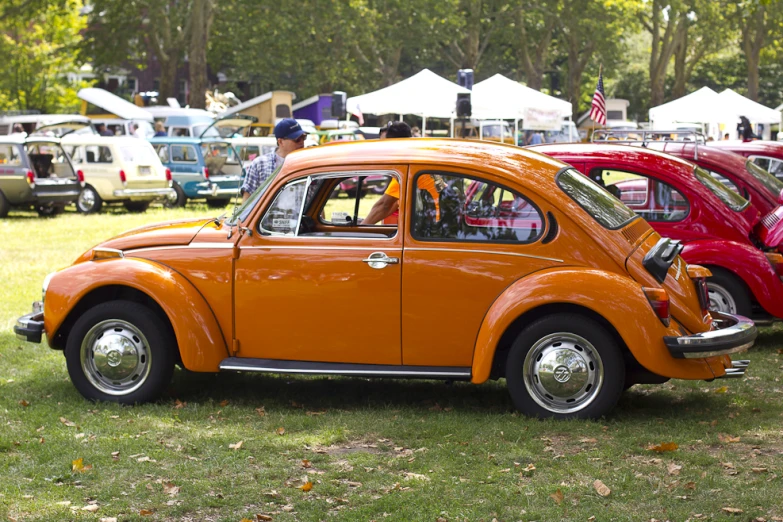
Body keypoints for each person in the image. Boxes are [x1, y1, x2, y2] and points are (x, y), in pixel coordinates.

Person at [241, 118, 307, 201]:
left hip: (299, 214)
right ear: (280, 142)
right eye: (297, 139)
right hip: (270, 214)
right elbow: (247, 199)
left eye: (303, 137)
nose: (301, 142)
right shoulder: (259, 164)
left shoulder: (307, 164)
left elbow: (316, 199)